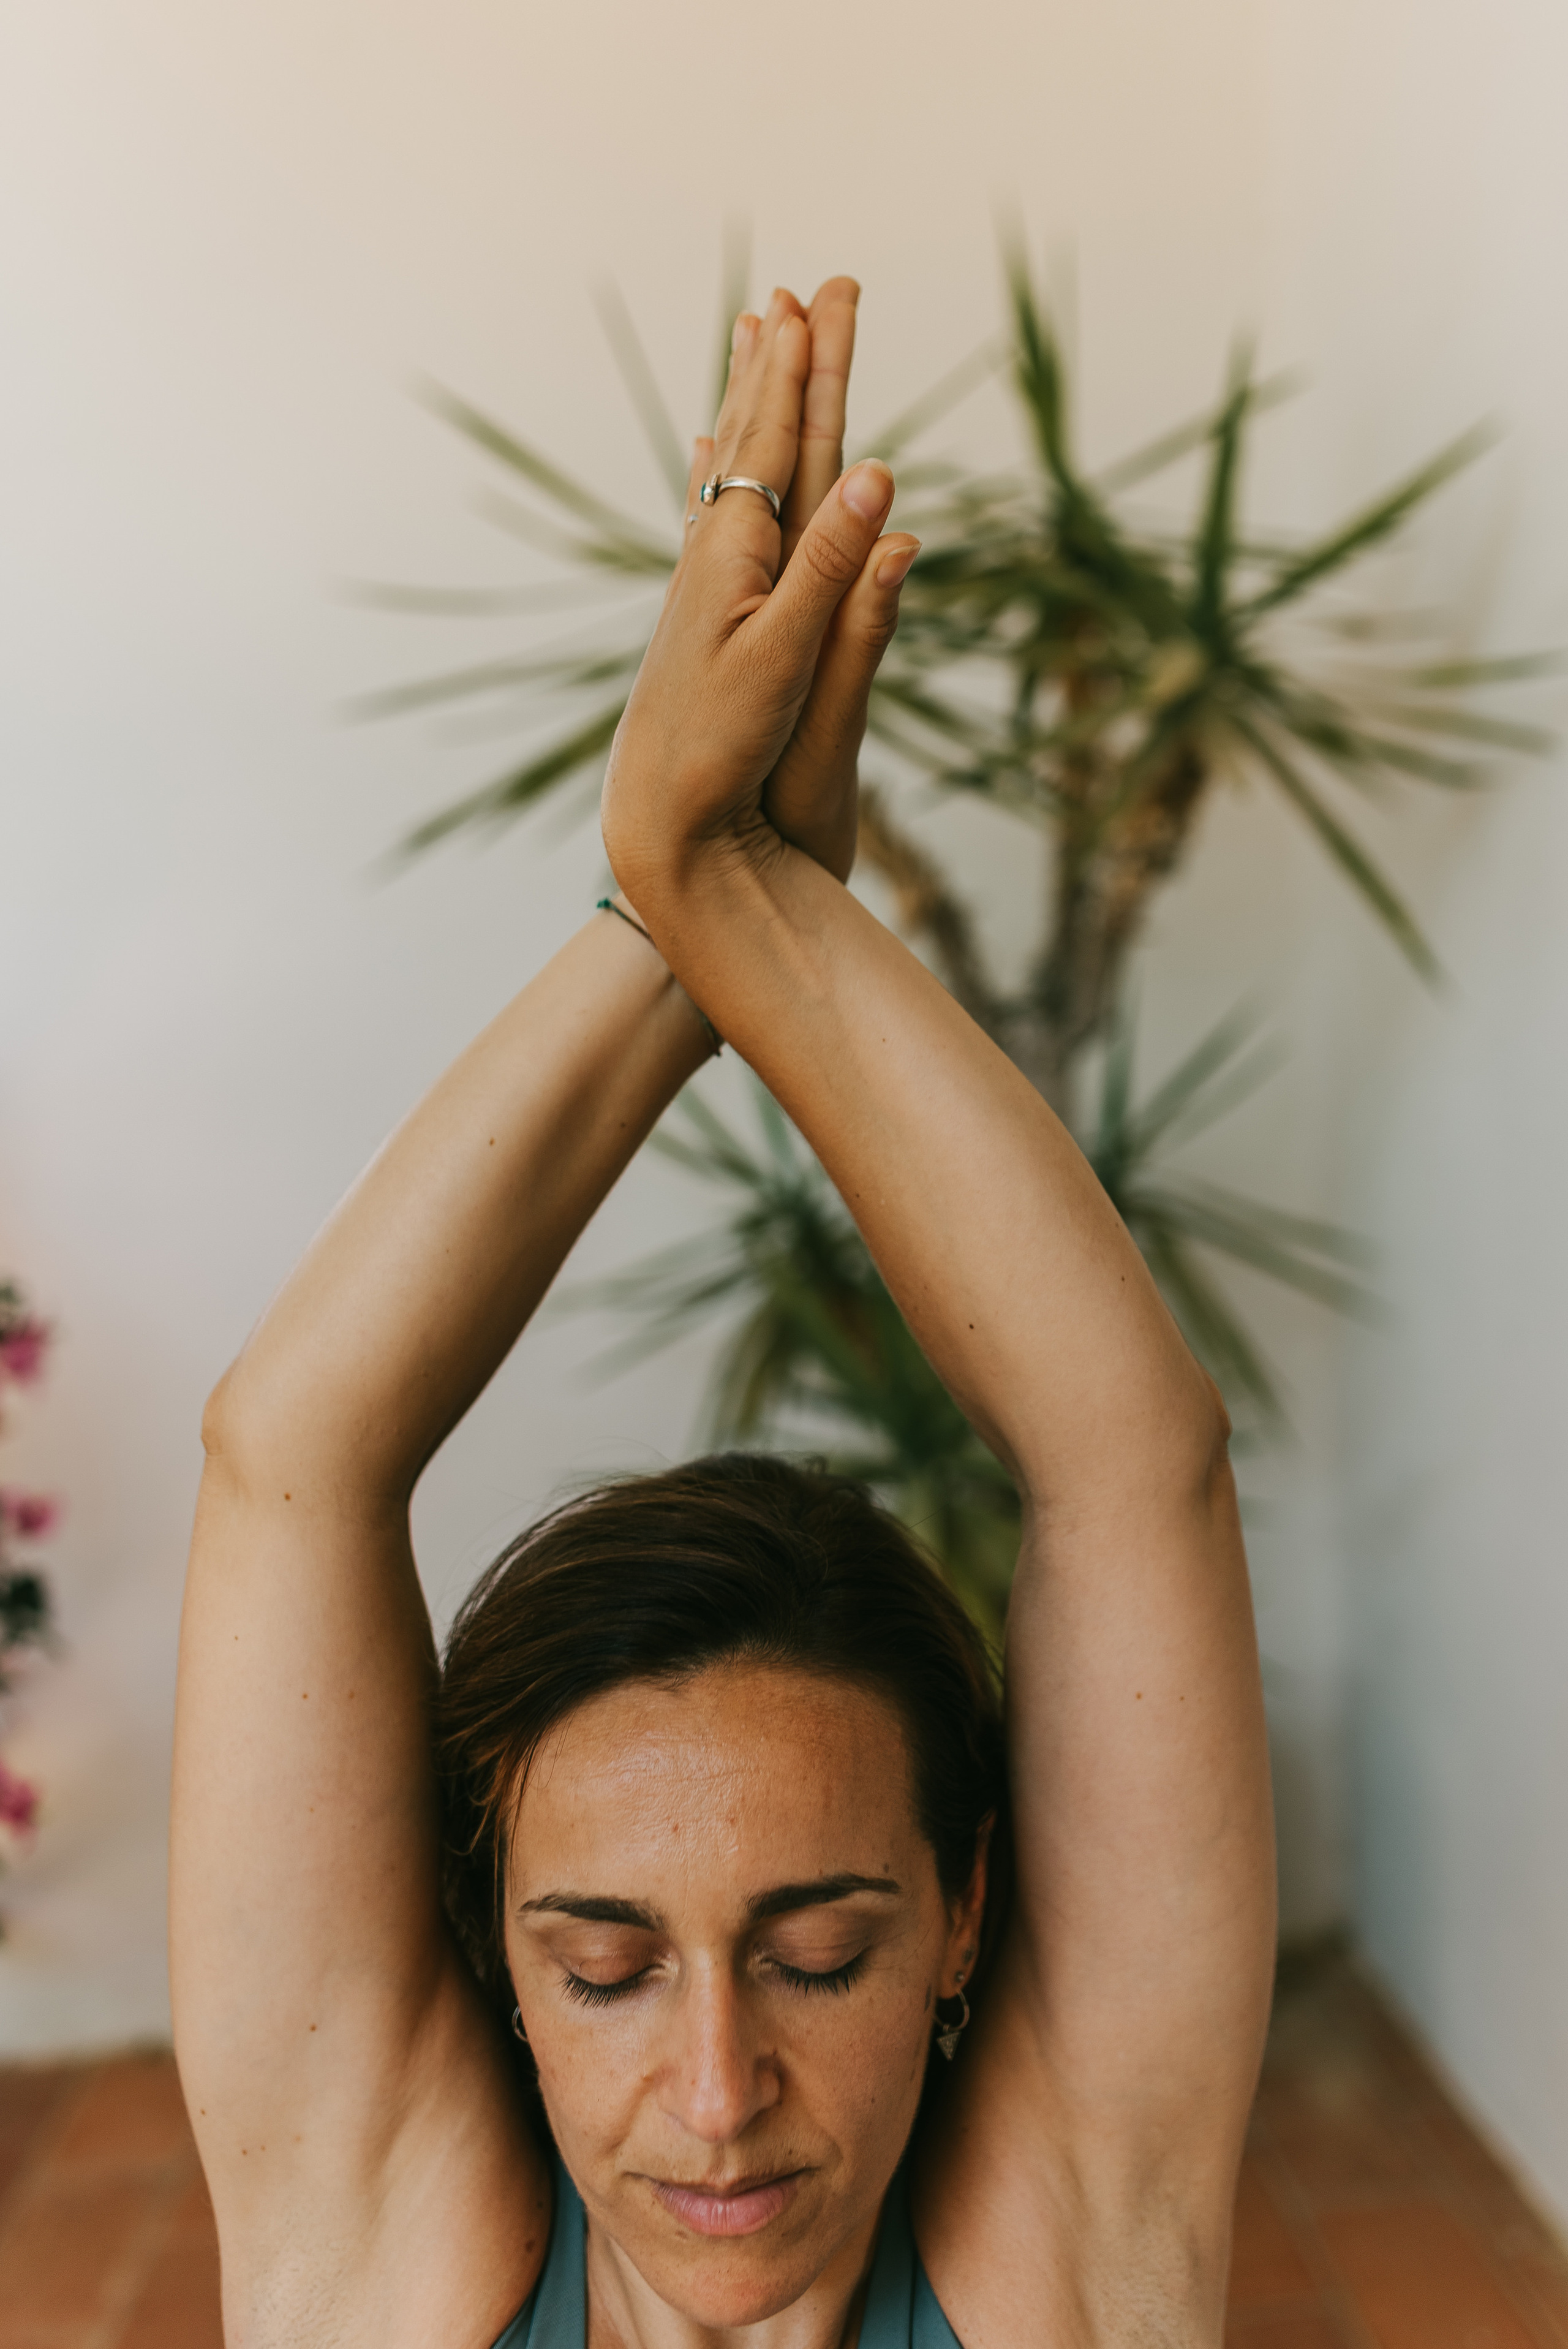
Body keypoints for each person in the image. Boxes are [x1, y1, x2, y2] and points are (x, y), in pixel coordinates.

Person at [172, 277, 1276, 2349]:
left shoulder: (1071, 2268)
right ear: (494, 1958)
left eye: (823, 1949)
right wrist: (707, 898)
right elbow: (284, 1460)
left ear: (960, 1921)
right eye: (600, 1964)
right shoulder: (380, 2267)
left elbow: (1139, 1464)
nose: (713, 2098)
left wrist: (705, 885)